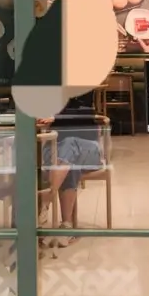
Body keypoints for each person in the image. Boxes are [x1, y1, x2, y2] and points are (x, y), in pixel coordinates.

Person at [39, 94, 106, 242]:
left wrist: (56, 116)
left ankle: (45, 202)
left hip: (87, 147)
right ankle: (67, 225)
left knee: (69, 146)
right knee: (69, 162)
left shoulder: (83, 89)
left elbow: (85, 112)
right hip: (57, 147)